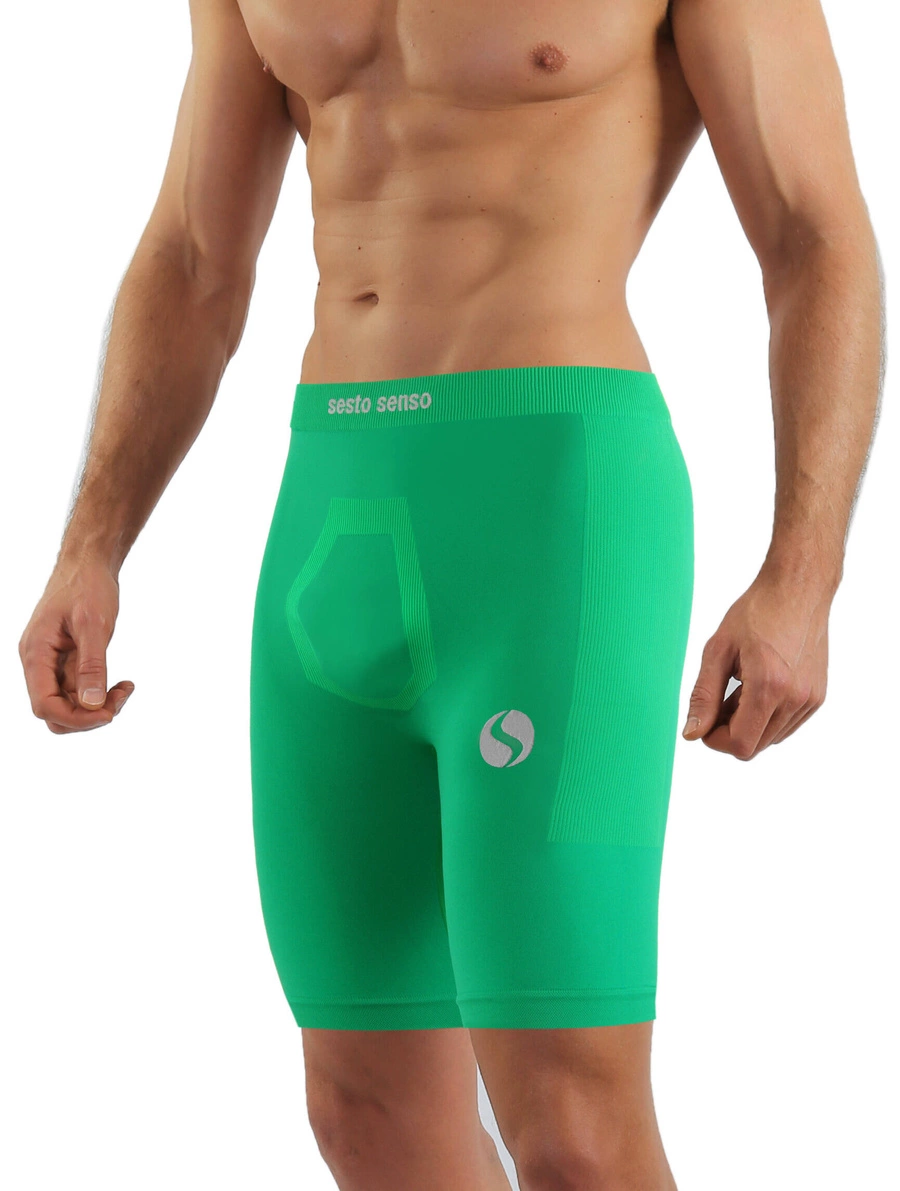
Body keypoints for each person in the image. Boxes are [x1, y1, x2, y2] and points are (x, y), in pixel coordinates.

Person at [18, 0, 883, 1187]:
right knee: (362, 1110)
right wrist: (93, 543)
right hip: (333, 511)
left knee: (575, 1125)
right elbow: (194, 257)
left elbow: (813, 232)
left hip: (555, 512)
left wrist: (804, 575)